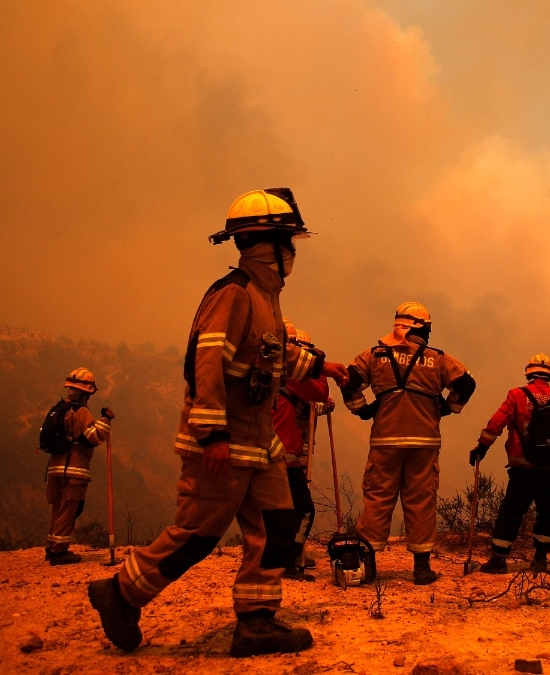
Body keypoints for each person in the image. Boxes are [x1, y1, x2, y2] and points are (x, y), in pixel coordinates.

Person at [87, 188, 349, 657]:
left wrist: (319, 366)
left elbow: (265, 356)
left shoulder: (266, 298)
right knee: (198, 535)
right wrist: (212, 435)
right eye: (289, 241)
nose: (292, 252)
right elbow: (206, 362)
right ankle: (121, 593)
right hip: (225, 441)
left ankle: (256, 622)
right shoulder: (234, 294)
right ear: (267, 243)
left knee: (278, 526)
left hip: (259, 443)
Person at [340, 301, 476, 585]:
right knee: (421, 500)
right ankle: (422, 568)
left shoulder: (374, 355)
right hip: (424, 442)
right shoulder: (438, 358)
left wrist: (362, 409)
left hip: (385, 440)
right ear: (423, 328)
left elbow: (348, 379)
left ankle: (368, 566)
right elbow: (466, 385)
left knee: (378, 499)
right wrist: (447, 407)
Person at [470, 354, 550, 574]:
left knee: (511, 512)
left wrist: (482, 446)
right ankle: (540, 559)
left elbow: (497, 422)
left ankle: (499, 559)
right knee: (548, 513)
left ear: (528, 373)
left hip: (523, 469)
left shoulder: (517, 396)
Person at [274, 322, 333, 581]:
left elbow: (304, 405)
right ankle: (287, 560)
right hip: (284, 453)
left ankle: (278, 558)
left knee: (272, 511)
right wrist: (317, 365)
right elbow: (317, 391)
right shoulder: (290, 373)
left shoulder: (267, 372)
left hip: (272, 450)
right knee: (301, 509)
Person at [41, 368, 113, 565]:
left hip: (55, 467)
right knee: (69, 509)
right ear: (86, 392)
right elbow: (91, 437)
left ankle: (51, 546)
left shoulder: (60, 407)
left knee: (57, 508)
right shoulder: (80, 411)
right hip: (74, 469)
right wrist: (105, 421)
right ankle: (59, 552)